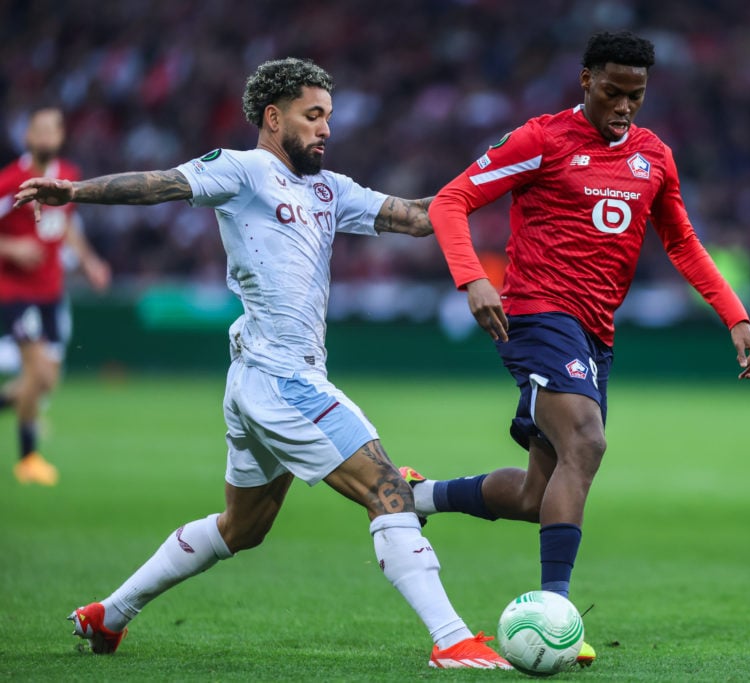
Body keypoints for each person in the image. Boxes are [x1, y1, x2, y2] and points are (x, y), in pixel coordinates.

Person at [14, 57, 510, 669]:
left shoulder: (330, 190)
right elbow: (163, 182)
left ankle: (108, 616)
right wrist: (77, 191)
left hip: (260, 379)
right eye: (313, 116)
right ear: (274, 119)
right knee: (387, 487)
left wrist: (503, 178)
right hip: (283, 377)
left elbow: (417, 216)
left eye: (329, 115)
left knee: (241, 528)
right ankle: (453, 640)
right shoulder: (244, 170)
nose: (326, 128)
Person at [400, 31, 750, 666]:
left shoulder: (655, 157)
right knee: (587, 442)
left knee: (536, 496)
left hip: (596, 334)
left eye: (637, 95)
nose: (625, 106)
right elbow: (453, 200)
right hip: (538, 314)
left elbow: (681, 242)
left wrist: (735, 316)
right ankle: (555, 614)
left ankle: (416, 497)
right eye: (613, 91)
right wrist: (473, 278)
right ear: (585, 81)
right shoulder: (541, 139)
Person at [0, 106, 111, 486]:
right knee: (39, 373)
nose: (46, 137)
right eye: (40, 130)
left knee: (44, 382)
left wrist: (90, 261)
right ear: (28, 136)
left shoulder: (68, 177)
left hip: (50, 290)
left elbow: (66, 226)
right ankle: (28, 459)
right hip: (15, 291)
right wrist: (12, 248)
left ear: (60, 137)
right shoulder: (10, 180)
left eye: (53, 130)